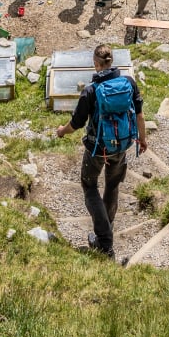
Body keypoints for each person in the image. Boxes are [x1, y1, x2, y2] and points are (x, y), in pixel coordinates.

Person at [54, 44, 146, 257]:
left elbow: (76, 123)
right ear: (111, 62)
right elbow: (139, 115)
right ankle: (108, 225)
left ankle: (104, 241)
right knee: (112, 184)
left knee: (89, 185)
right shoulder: (129, 83)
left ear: (96, 64)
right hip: (122, 145)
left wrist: (61, 131)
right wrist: (142, 139)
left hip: (97, 147)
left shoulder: (91, 91)